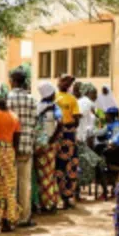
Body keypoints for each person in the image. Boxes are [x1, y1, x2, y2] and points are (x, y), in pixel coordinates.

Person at [8, 66, 37, 227]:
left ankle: (10, 216)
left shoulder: (7, 98)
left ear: (12, 81)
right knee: (24, 183)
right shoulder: (32, 100)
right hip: (27, 146)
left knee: (10, 183)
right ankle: (24, 217)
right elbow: (34, 123)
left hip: (9, 146)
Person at [0, 84, 21, 233]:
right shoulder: (14, 116)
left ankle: (0, 219)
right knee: (10, 186)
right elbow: (17, 140)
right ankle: (9, 219)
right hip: (9, 152)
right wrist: (13, 155)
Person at [34, 82, 62, 213]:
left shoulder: (37, 106)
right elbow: (61, 123)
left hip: (38, 146)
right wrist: (52, 139)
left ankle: (45, 202)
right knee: (48, 175)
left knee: (41, 175)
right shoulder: (54, 108)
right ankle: (49, 203)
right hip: (49, 146)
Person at [54, 74, 80, 208]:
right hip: (56, 134)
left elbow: (77, 119)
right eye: (61, 80)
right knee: (58, 165)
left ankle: (67, 197)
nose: (62, 83)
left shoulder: (72, 99)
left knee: (70, 165)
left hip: (68, 134)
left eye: (65, 82)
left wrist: (69, 129)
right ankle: (57, 196)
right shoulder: (53, 96)